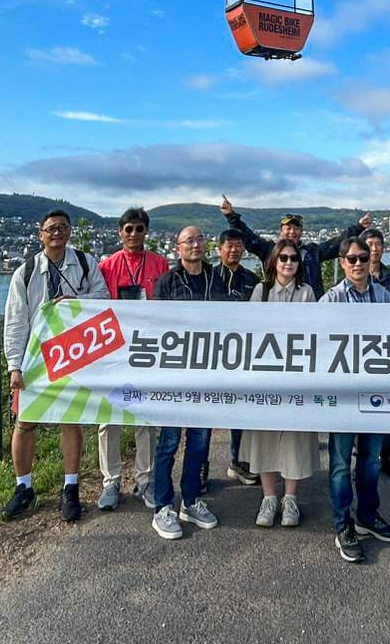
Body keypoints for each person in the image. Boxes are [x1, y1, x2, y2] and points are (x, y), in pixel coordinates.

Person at [1, 209, 111, 522]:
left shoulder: (86, 263)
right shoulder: (25, 272)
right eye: (51, 228)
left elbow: (102, 298)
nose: (57, 232)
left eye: (62, 227)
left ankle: (70, 487)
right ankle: (23, 486)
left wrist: (75, 303)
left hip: (74, 354)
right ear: (41, 234)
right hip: (35, 359)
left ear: (70, 231)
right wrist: (14, 365)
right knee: (25, 422)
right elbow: (16, 321)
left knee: (69, 419)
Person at [320, 236, 390, 563]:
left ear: (370, 259)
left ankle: (368, 514)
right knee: (341, 464)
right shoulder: (331, 300)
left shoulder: (384, 296)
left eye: (363, 258)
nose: (358, 263)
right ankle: (343, 525)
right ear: (342, 262)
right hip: (343, 396)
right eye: (351, 258)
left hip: (374, 393)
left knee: (371, 461)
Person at [240, 238, 319, 528]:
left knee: (295, 435)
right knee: (265, 434)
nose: (288, 262)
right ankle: (269, 497)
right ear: (274, 261)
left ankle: (291, 498)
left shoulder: (306, 292)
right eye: (283, 257)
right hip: (266, 375)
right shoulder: (261, 292)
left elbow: (312, 332)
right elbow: (251, 331)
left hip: (297, 375)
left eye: (293, 258)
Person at [147, 225, 220, 538]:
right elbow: (154, 326)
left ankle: (190, 500)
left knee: (199, 441)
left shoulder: (216, 279)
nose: (195, 244)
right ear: (178, 248)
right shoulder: (166, 282)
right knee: (168, 442)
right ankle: (162, 506)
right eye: (189, 240)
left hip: (206, 375)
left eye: (200, 238)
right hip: (174, 376)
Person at [95, 207, 169, 512]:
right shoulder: (107, 266)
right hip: (114, 352)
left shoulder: (159, 263)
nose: (134, 234)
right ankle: (111, 481)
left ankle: (144, 480)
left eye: (139, 228)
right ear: (120, 232)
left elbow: (168, 305)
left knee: (145, 417)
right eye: (129, 229)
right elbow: (93, 304)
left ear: (146, 232)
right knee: (108, 418)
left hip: (147, 350)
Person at [219, 195, 370, 299]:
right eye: (288, 228)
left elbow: (336, 244)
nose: (292, 232)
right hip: (276, 304)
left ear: (301, 231)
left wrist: (358, 227)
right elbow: (248, 237)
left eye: (296, 228)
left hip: (309, 306)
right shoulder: (268, 250)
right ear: (281, 230)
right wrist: (231, 216)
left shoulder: (312, 252)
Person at [210, 227, 261, 485]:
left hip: (243, 353)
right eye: (229, 245)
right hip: (212, 351)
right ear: (219, 249)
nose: (234, 250)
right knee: (208, 409)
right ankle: (201, 468)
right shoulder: (209, 276)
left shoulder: (251, 278)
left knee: (241, 409)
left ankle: (238, 461)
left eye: (239, 245)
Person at [358, 225, 390, 480]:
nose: (374, 249)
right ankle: (362, 452)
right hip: (358, 351)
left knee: (388, 405)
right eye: (370, 245)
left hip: (385, 350)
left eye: (378, 245)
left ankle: (388, 456)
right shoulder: (353, 277)